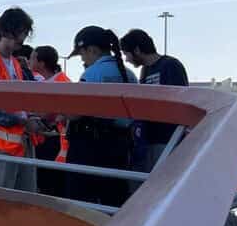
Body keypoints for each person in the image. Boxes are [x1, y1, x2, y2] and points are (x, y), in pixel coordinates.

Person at [0, 8, 44, 193]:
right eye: (20, 35)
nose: (21, 41)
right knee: (3, 206)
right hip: (1, 147)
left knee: (26, 201)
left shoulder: (16, 63)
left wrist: (31, 119)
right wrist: (24, 122)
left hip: (19, 142)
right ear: (6, 32)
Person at [65, 26, 136, 207]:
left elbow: (74, 114)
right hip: (120, 147)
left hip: (89, 148)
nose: (82, 60)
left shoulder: (91, 74)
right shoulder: (129, 75)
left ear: (92, 50)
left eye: (82, 54)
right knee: (114, 200)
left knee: (82, 204)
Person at [119, 29, 189, 171]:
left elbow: (179, 102)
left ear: (137, 50)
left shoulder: (170, 65)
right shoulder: (145, 70)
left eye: (127, 54)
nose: (126, 59)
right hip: (149, 140)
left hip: (167, 140)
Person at [28, 46, 70, 197]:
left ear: (41, 63)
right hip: (59, 144)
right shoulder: (55, 81)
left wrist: (27, 114)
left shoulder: (57, 83)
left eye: (32, 58)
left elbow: (49, 114)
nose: (29, 61)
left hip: (60, 144)